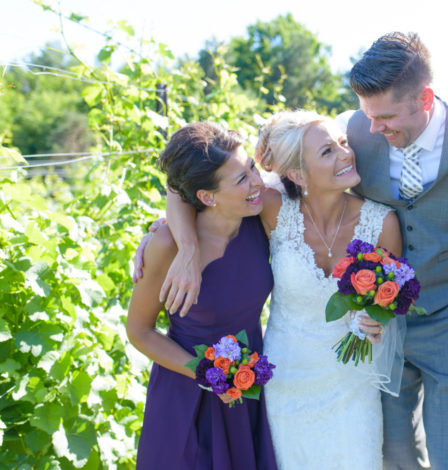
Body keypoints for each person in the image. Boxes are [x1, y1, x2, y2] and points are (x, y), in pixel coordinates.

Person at [149, 110, 404, 469]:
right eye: (328, 152)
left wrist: (374, 321)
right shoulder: (271, 208)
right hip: (285, 382)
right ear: (298, 174)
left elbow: (384, 306)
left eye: (343, 143)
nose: (346, 154)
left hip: (351, 385)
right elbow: (186, 187)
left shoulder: (382, 223)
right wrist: (183, 244)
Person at [344, 32, 448, 469]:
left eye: (387, 117)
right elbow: (275, 179)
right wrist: (181, 218)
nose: (376, 128)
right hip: (382, 324)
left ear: (425, 98)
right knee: (395, 455)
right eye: (369, 116)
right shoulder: (355, 128)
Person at [126, 122, 277, 469]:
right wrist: (205, 373)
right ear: (207, 197)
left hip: (251, 390)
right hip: (187, 395)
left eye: (251, 168)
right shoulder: (166, 245)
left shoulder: (260, 217)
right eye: (241, 179)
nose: (256, 182)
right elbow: (139, 331)